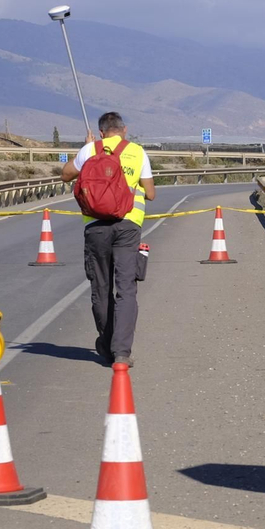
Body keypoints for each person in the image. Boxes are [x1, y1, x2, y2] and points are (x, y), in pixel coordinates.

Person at [60, 112, 155, 366]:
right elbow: (152, 193)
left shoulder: (90, 149)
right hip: (128, 226)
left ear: (101, 132)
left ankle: (107, 341)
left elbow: (65, 175)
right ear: (124, 129)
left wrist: (85, 148)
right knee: (126, 289)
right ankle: (122, 353)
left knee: (101, 288)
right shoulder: (137, 152)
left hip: (96, 227)